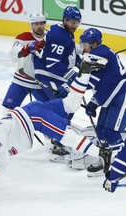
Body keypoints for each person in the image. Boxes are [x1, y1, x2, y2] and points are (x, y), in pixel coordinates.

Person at [0, 57, 106, 189]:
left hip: (35, 117)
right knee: (71, 104)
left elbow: (1, 162)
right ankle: (84, 72)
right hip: (32, 111)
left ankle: (102, 155)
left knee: (68, 138)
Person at [78, 28, 126, 177]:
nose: (83, 48)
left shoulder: (99, 53)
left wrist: (69, 88)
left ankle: (121, 168)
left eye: (85, 44)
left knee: (112, 132)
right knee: (101, 131)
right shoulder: (98, 54)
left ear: (94, 44)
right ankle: (104, 162)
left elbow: (90, 81)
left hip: (125, 94)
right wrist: (94, 102)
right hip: (113, 96)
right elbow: (103, 83)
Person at [32, 6, 82, 161]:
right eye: (71, 22)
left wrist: (80, 62)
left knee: (64, 107)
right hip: (50, 76)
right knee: (66, 107)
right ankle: (58, 141)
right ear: (64, 20)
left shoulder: (64, 33)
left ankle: (54, 133)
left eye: (76, 22)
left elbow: (68, 56)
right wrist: (73, 75)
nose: (74, 25)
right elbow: (53, 64)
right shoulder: (61, 35)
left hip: (51, 75)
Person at [2, 13, 48, 110]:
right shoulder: (23, 37)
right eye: (36, 24)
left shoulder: (50, 37)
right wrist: (27, 48)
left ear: (45, 24)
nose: (39, 26)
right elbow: (14, 56)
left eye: (41, 23)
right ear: (31, 25)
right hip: (21, 80)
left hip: (40, 83)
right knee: (8, 109)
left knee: (49, 110)